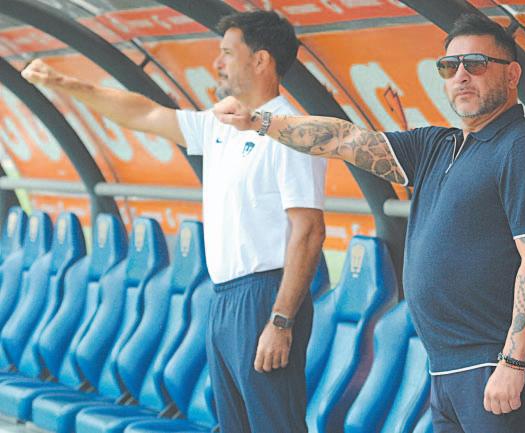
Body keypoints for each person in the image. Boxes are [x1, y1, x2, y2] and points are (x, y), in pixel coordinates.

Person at [212, 13, 525, 433]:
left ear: (512, 74)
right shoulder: (437, 145)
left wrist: (512, 361)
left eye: (476, 64)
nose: (461, 76)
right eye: (449, 66)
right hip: (447, 366)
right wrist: (260, 121)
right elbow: (344, 139)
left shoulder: (523, 147)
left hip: (495, 365)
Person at [22, 10, 326, 433]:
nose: (217, 63)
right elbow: (144, 114)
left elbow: (309, 231)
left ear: (261, 60)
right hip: (225, 296)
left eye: (226, 53)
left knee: (275, 424)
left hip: (265, 296)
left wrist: (281, 320)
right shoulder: (223, 124)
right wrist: (65, 84)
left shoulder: (291, 133)